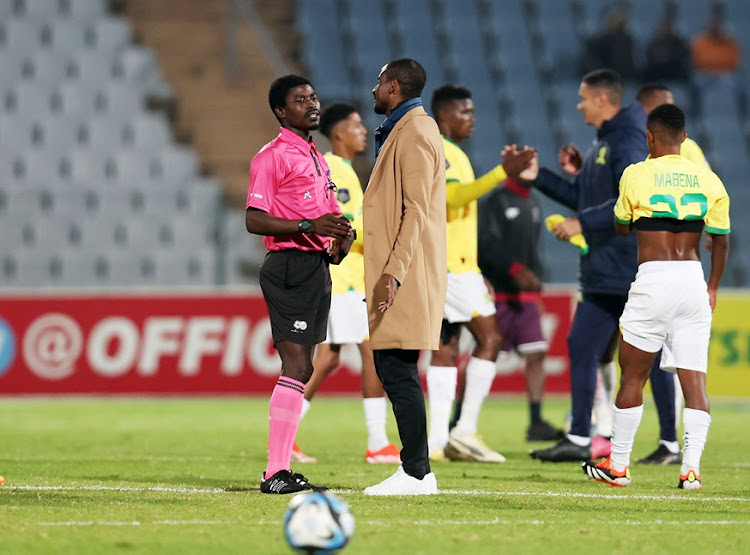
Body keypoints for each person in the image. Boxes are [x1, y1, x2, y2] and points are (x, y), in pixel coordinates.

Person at [583, 103, 730, 489]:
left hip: (654, 279)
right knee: (694, 379)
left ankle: (618, 466)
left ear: (649, 137)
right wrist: (712, 285)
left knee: (633, 374)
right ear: (684, 137)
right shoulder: (708, 179)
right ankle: (691, 470)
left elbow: (621, 227)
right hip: (693, 281)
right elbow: (722, 240)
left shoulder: (637, 173)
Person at [507, 69, 648, 462]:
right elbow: (581, 198)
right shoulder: (606, 141)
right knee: (586, 346)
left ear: (603, 100)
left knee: (649, 356)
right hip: (606, 269)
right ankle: (582, 435)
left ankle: (666, 441)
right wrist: (538, 176)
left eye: (584, 97)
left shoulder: (626, 139)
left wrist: (583, 223)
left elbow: (629, 199)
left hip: (624, 268)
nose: (579, 104)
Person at [246, 75, 355, 494]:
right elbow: (254, 219)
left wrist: (341, 239)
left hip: (314, 266)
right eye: (299, 100)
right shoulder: (272, 156)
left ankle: (281, 468)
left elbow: (330, 217)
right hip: (288, 265)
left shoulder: (316, 157)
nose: (311, 104)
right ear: (280, 110)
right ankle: (275, 472)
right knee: (296, 366)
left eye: (313, 97)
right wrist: (309, 225)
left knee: (304, 367)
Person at [297, 102, 400, 465]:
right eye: (356, 125)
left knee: (327, 359)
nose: (363, 131)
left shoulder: (341, 169)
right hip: (344, 280)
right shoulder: (337, 170)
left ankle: (286, 433)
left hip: (343, 279)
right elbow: (342, 229)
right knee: (372, 353)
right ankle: (377, 443)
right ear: (339, 133)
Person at [361, 59, 447, 495]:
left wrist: (393, 271)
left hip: (406, 270)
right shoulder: (408, 128)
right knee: (395, 367)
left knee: (396, 369)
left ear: (393, 86)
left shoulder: (414, 133)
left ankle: (416, 471)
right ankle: (416, 469)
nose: (373, 90)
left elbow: (415, 210)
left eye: (378, 83)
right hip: (403, 266)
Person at [423, 84, 504, 464]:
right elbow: (452, 198)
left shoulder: (440, 150)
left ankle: (437, 441)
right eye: (466, 112)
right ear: (445, 117)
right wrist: (503, 172)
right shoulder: (446, 150)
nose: (473, 118)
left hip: (446, 264)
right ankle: (465, 430)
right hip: (452, 267)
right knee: (491, 338)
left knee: (446, 346)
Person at [478, 173, 564, 443]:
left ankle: (536, 422)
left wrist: (534, 273)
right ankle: (459, 419)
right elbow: (486, 243)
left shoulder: (534, 202)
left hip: (525, 297)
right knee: (484, 352)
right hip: (499, 292)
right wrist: (514, 269)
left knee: (536, 353)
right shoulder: (496, 200)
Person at [690, 2, 746, 119]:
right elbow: (698, 61)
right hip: (705, 74)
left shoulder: (730, 41)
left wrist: (716, 65)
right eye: (713, 21)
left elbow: (733, 62)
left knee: (740, 86)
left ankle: (743, 122)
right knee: (694, 83)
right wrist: (714, 65)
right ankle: (698, 120)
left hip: (724, 75)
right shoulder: (700, 40)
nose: (715, 25)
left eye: (718, 22)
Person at [642, 10, 691, 83]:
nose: (666, 28)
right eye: (664, 26)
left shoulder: (679, 44)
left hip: (675, 75)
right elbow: (650, 60)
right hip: (657, 76)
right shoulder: (654, 44)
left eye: (668, 26)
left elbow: (683, 60)